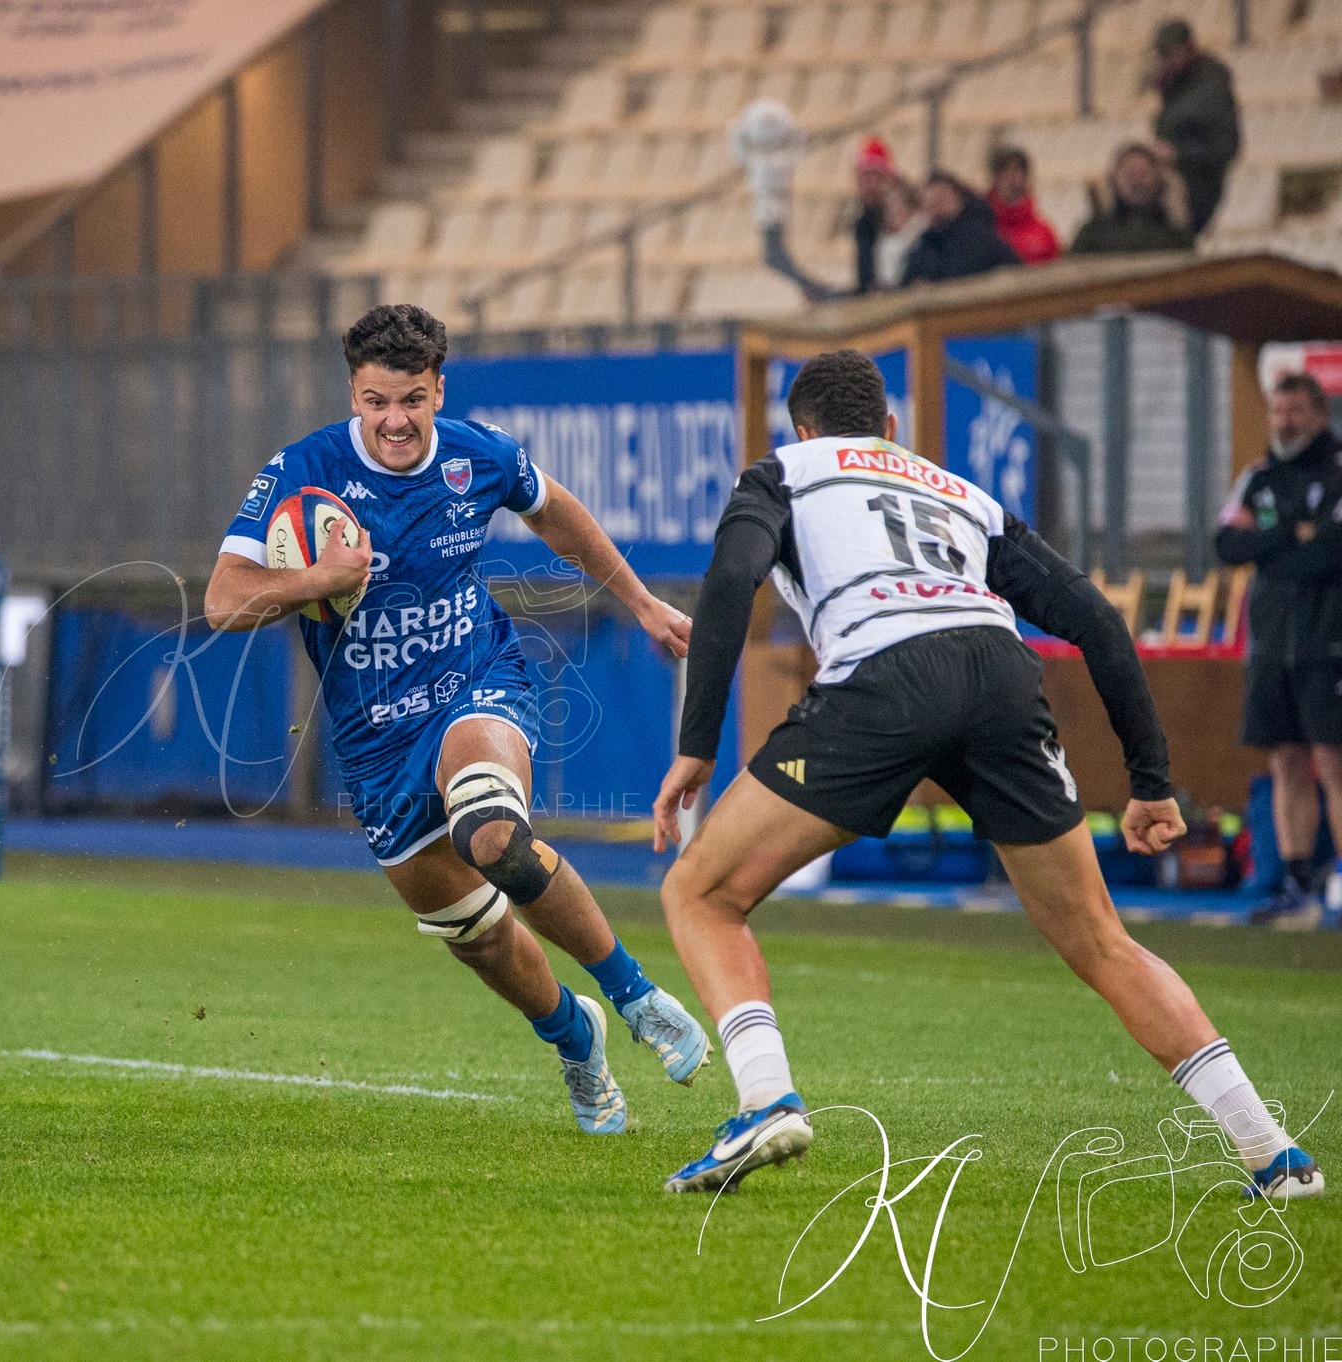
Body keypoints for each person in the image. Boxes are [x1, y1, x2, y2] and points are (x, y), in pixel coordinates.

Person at [650, 349, 1322, 1200]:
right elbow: (1097, 625)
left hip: (884, 675)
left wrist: (697, 744)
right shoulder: (957, 490)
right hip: (1002, 677)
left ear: (804, 428)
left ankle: (765, 1100)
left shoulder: (784, 471)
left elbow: (731, 580)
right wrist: (1151, 779)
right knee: (1102, 941)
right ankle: (1273, 1152)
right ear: (891, 429)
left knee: (701, 893)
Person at [203, 304, 707, 1135]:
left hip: (474, 682)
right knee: (473, 933)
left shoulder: (480, 454)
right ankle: (574, 1035)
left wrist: (642, 603)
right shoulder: (302, 470)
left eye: (410, 399)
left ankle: (637, 997)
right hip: (372, 741)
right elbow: (224, 600)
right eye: (374, 401)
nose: (394, 420)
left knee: (492, 833)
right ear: (353, 395)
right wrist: (320, 579)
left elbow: (555, 513)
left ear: (438, 389)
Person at [1216, 373, 1342, 925]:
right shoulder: (1257, 478)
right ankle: (1295, 882)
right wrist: (1292, 535)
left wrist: (1270, 549)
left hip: (1328, 640)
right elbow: (1227, 543)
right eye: (1278, 411)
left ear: (1319, 414)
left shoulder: (1337, 472)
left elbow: (1332, 554)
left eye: (1297, 411)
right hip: (1270, 644)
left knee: (1334, 761)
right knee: (1286, 760)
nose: (1286, 422)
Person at [1151, 18, 1241, 236]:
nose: (1166, 60)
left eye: (1171, 53)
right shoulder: (1179, 84)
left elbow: (1226, 147)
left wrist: (1178, 154)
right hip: (1181, 180)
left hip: (1196, 185)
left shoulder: (1209, 88)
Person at [1071, 144, 1196, 255]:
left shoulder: (1174, 237)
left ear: (1157, 180)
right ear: (1115, 180)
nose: (1137, 182)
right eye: (1130, 175)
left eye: (1143, 174)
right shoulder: (1092, 234)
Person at [899, 172, 1020, 286]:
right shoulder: (924, 245)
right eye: (930, 201)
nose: (936, 204)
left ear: (957, 198)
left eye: (941, 197)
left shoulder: (978, 237)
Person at [986, 144, 1061, 266]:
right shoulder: (982, 229)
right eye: (1004, 170)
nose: (1012, 177)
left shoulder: (1043, 233)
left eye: (1017, 170)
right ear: (995, 178)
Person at [851, 137, 899, 295]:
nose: (869, 183)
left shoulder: (897, 215)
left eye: (875, 176)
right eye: (864, 177)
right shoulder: (863, 222)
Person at [873, 176, 926, 291]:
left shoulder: (925, 234)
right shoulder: (884, 241)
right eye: (888, 206)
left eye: (898, 204)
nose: (893, 211)